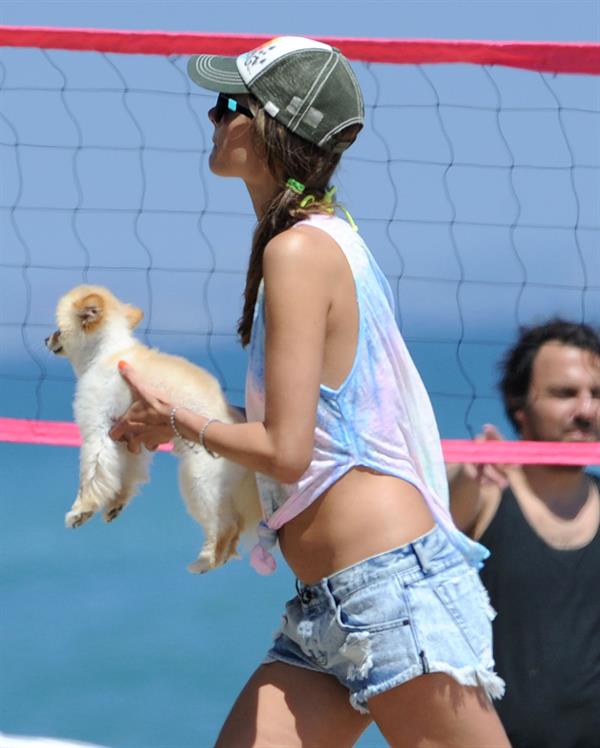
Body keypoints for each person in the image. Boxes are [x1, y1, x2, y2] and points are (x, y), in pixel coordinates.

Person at [109, 36, 509, 747]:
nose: (212, 115)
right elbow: (320, 432)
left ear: (269, 126)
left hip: (386, 589)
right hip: (333, 605)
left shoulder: (299, 251)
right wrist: (176, 424)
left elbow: (286, 452)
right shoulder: (318, 236)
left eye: (229, 103)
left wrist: (181, 418)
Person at [449, 319, 600, 748]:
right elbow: (442, 511)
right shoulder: (484, 494)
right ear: (520, 405)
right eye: (565, 393)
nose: (586, 410)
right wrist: (468, 470)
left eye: (597, 394)